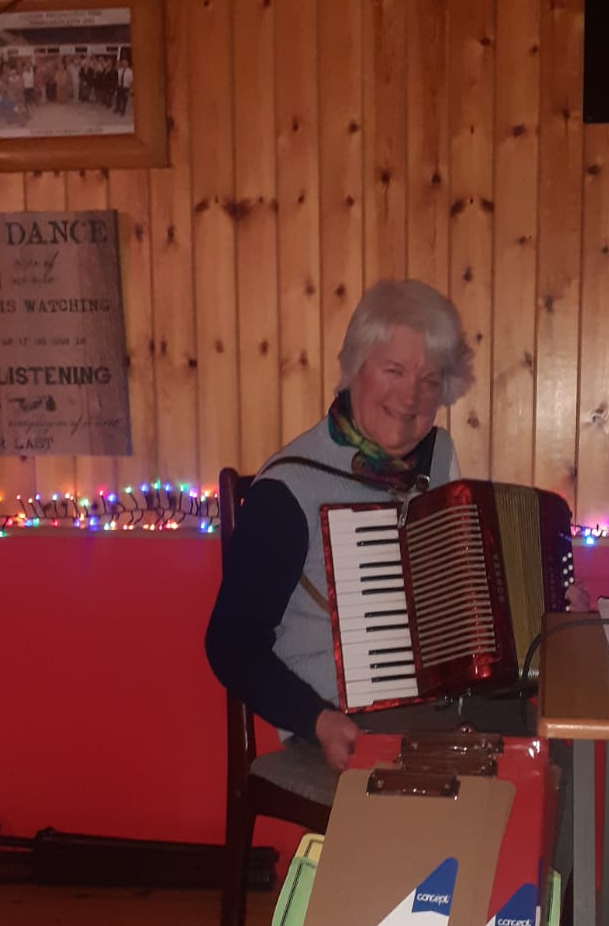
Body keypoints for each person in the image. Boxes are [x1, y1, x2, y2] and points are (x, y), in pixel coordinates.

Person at [205, 278, 580, 807]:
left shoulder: (438, 456)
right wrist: (316, 719)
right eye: (394, 371)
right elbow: (230, 643)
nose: (410, 398)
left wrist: (548, 609)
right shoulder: (288, 490)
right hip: (344, 724)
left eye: (429, 380)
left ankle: (527, 865)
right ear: (355, 367)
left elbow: (459, 603)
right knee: (484, 792)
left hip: (444, 706)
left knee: (556, 751)